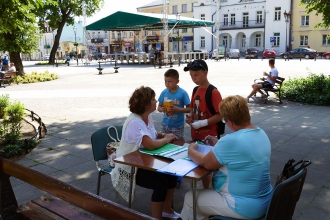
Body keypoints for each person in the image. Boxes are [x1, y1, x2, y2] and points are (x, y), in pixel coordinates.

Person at [180, 95, 273, 220]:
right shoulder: (261, 133)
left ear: (230, 121)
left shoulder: (231, 141)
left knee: (190, 198)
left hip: (243, 206)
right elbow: (244, 150)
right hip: (265, 200)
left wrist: (191, 150)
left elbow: (205, 162)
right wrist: (218, 143)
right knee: (203, 202)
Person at [111, 86, 180, 220]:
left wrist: (164, 135)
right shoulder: (135, 122)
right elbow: (150, 144)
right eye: (153, 99)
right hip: (130, 166)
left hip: (143, 161)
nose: (156, 101)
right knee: (161, 183)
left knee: (171, 174)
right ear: (146, 104)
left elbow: (152, 134)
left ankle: (166, 209)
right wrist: (166, 139)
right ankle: (156, 217)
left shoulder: (146, 116)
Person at [184, 59, 222, 189]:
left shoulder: (213, 92)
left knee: (207, 170)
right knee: (197, 166)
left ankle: (208, 192)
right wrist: (189, 117)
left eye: (196, 75)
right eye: (191, 76)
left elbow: (220, 114)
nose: (194, 78)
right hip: (196, 135)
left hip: (209, 137)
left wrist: (202, 123)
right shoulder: (195, 90)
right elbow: (193, 108)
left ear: (205, 73)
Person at [157, 69, 190, 139]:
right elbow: (158, 107)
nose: (167, 83)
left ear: (177, 81)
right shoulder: (164, 92)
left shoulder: (182, 93)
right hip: (165, 124)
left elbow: (189, 109)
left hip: (177, 126)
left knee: (177, 142)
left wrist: (178, 109)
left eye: (170, 81)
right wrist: (162, 109)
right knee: (163, 142)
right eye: (165, 81)